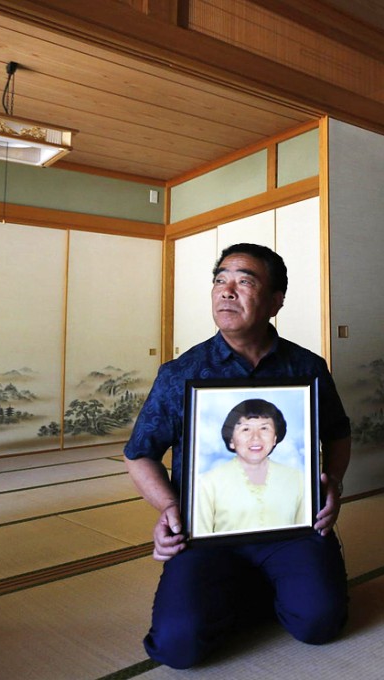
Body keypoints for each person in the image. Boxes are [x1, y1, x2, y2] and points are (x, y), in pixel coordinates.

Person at [124, 243, 351, 669]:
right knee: (177, 647)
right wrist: (171, 509)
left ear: (275, 301)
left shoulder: (307, 367)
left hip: (291, 526)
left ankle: (267, 583)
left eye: (244, 281)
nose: (226, 291)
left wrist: (333, 484)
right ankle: (250, 586)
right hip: (206, 530)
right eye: (220, 280)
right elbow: (140, 455)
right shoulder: (180, 373)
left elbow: (339, 433)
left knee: (320, 623)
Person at [195, 398, 308, 536]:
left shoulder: (298, 479)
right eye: (246, 429)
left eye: (264, 428)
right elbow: (199, 542)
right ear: (231, 440)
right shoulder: (207, 483)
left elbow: (305, 537)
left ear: (275, 438)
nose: (256, 437)